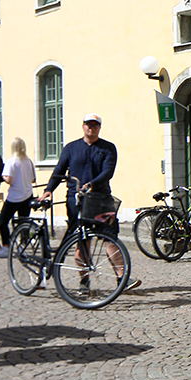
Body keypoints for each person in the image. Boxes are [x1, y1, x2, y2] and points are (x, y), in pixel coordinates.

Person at [41, 113, 140, 292]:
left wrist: (92, 184)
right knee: (81, 241)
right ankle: (84, 280)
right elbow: (59, 170)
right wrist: (49, 190)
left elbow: (108, 171)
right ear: (83, 126)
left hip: (101, 199)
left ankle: (122, 278)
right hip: (76, 201)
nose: (91, 128)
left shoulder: (108, 148)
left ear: (99, 128)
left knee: (110, 239)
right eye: (88, 124)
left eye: (94, 125)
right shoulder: (71, 148)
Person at [0, 137, 35, 259]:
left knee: (3, 221)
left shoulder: (11, 162)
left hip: (15, 196)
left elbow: (9, 180)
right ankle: (23, 244)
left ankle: (6, 246)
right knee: (23, 220)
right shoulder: (28, 161)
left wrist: (3, 176)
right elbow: (33, 179)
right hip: (27, 194)